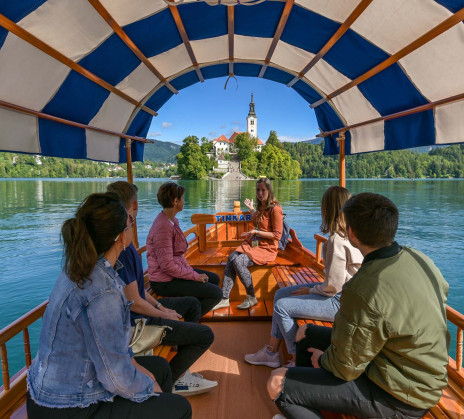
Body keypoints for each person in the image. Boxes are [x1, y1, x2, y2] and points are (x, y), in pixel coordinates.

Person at [267, 192, 450, 419]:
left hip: (398, 396)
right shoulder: (420, 259)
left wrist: (322, 359)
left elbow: (344, 368)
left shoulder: (362, 288)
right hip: (408, 370)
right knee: (304, 332)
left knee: (276, 382)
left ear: (351, 233)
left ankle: (297, 399)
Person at [27, 193, 191, 419]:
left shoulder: (78, 268)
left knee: (160, 369)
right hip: (69, 407)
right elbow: (115, 377)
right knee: (180, 408)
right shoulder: (102, 292)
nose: (133, 226)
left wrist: (146, 377)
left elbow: (114, 353)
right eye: (130, 222)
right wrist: (148, 387)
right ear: (121, 237)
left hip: (51, 390)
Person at [107, 181, 218, 396]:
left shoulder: (129, 243)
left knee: (194, 304)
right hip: (137, 322)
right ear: (134, 207)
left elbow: (138, 293)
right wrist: (163, 312)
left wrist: (160, 306)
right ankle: (176, 379)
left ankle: (182, 361)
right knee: (205, 332)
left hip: (142, 310)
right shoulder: (124, 247)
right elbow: (135, 301)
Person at [244, 186, 363, 368]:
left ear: (328, 210)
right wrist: (314, 289)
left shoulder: (336, 241)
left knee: (282, 306)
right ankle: (272, 352)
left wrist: (311, 289)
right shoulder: (353, 236)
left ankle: (297, 358)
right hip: (345, 295)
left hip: (342, 302)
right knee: (281, 294)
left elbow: (333, 288)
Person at [147, 182, 222, 316]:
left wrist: (189, 271)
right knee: (216, 294)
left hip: (173, 273)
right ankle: (189, 317)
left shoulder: (172, 220)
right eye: (182, 198)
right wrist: (195, 276)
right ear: (175, 201)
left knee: (214, 279)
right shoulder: (163, 227)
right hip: (164, 281)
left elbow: (178, 255)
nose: (184, 201)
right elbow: (167, 266)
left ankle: (194, 308)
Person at [214, 178, 283, 310]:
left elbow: (277, 235)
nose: (260, 193)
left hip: (267, 249)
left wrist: (256, 232)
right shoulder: (262, 206)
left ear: (269, 191)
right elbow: (259, 220)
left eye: (263, 190)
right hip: (256, 245)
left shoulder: (276, 209)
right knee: (232, 257)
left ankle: (251, 297)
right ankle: (224, 298)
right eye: (258, 190)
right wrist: (251, 208)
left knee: (238, 261)